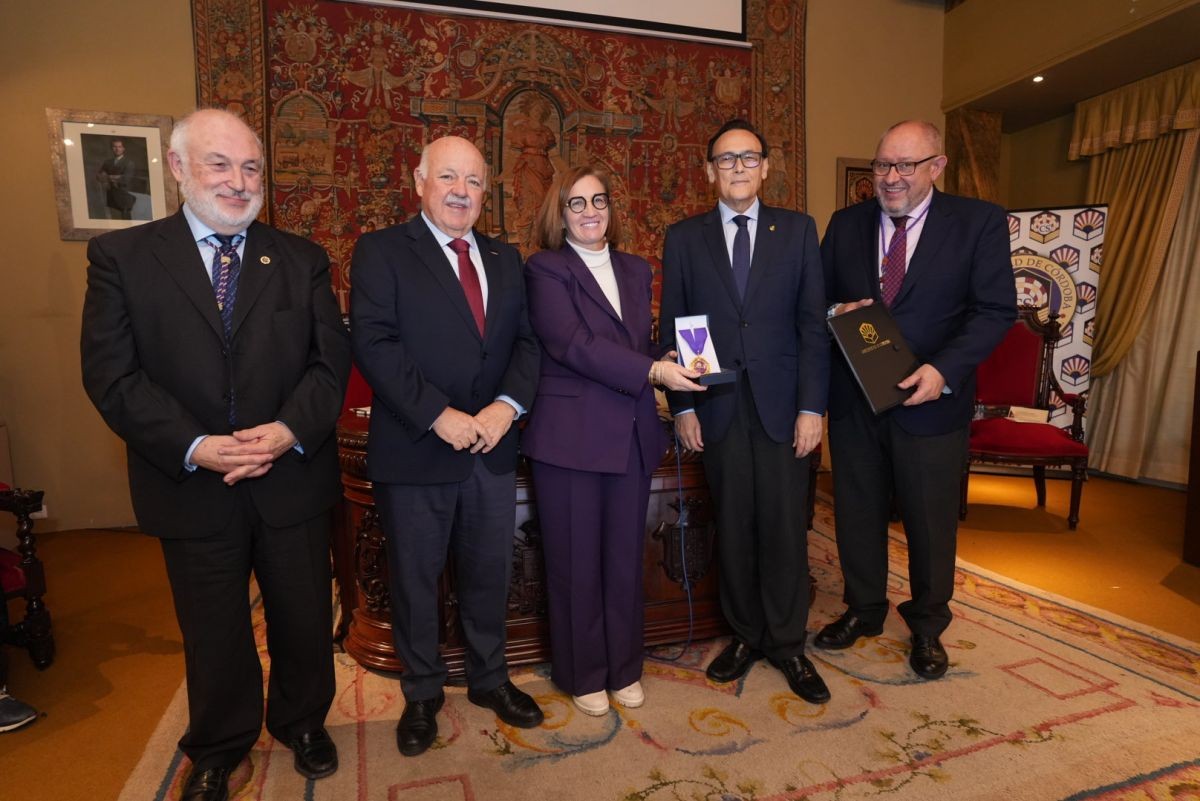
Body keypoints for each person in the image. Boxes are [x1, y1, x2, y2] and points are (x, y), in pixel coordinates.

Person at [81, 109, 350, 801]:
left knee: (303, 612)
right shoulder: (123, 259)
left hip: (289, 473)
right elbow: (112, 376)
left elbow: (331, 364)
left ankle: (302, 722)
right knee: (213, 626)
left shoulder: (301, 258)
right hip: (190, 482)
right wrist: (198, 445)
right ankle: (220, 743)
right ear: (177, 168)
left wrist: (288, 430)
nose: (239, 181)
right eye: (220, 164)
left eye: (251, 167)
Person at [350, 135, 543, 758]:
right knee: (415, 579)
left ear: (487, 192)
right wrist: (439, 416)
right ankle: (423, 692)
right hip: (417, 448)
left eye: (475, 182)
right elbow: (375, 344)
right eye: (449, 178)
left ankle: (490, 679)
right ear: (420, 181)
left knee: (490, 573)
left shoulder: (506, 257)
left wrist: (504, 408)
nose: (462, 191)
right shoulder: (381, 252)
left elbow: (527, 345)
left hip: (490, 446)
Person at [817, 120, 1016, 679]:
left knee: (930, 522)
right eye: (883, 165)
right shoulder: (846, 223)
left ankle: (928, 625)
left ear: (938, 165)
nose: (892, 177)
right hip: (857, 400)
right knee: (856, 510)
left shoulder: (978, 223)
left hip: (933, 402)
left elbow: (995, 310)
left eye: (906, 165)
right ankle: (864, 610)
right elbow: (819, 300)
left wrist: (943, 370)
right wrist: (836, 313)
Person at [522, 165, 705, 716]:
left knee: (625, 559)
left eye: (598, 200)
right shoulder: (545, 269)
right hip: (570, 440)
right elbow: (572, 343)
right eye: (576, 204)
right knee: (576, 563)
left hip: (630, 434)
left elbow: (632, 342)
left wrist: (661, 357)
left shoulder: (633, 267)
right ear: (560, 214)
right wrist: (652, 374)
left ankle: (624, 666)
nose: (590, 211)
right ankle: (583, 673)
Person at [659, 119, 831, 704]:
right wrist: (683, 405)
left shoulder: (800, 231)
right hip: (719, 406)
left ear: (765, 167)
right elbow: (680, 325)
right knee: (732, 527)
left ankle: (786, 644)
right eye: (725, 159)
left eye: (748, 158)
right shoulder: (684, 237)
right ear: (709, 170)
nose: (737, 167)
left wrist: (813, 406)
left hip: (785, 408)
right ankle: (744, 635)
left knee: (785, 527)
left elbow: (813, 326)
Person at [96, 138, 136, 220]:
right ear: (112, 149)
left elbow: (126, 179)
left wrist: (108, 177)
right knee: (112, 221)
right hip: (110, 196)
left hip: (124, 197)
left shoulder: (129, 163)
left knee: (125, 223)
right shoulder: (107, 162)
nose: (117, 149)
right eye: (115, 147)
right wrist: (116, 177)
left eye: (119, 147)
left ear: (123, 148)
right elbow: (99, 176)